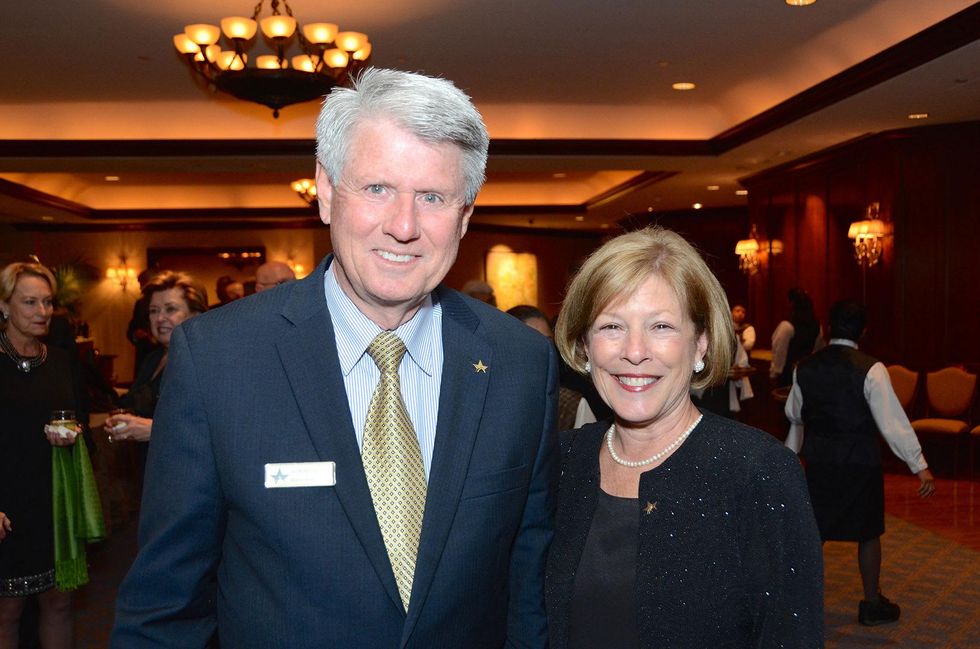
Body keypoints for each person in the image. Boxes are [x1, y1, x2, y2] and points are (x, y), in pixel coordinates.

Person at [111, 68, 558, 649]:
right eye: (377, 188)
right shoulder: (220, 359)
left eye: (432, 197)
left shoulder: (520, 362)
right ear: (325, 190)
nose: (403, 226)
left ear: (465, 215)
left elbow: (528, 585)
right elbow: (165, 608)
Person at [546, 227, 823, 649]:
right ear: (584, 346)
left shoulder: (755, 471)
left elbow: (790, 636)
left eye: (660, 326)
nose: (635, 351)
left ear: (700, 345)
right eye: (612, 326)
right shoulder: (562, 460)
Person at [784, 299, 935, 627]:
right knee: (868, 533)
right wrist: (918, 463)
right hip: (859, 464)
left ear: (828, 328)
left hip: (819, 463)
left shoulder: (804, 367)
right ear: (863, 331)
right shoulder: (871, 368)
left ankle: (798, 603)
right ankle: (871, 603)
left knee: (814, 533)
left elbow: (794, 414)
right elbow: (891, 421)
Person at [0, 262, 91, 649]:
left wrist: (71, 433)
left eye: (48, 302)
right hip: (5, 506)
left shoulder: (61, 359)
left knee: (59, 603)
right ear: (3, 306)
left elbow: (80, 419)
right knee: (7, 610)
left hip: (55, 499)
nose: (42, 312)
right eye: (30, 302)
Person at [104, 271, 208, 450]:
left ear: (195, 315)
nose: (160, 318)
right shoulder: (152, 358)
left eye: (171, 309)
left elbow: (216, 429)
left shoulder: (206, 361)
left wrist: (153, 430)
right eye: (154, 311)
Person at [507, 304, 596, 430]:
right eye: (530, 343)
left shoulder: (569, 405)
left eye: (547, 342)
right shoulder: (489, 398)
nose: (541, 351)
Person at [770, 288, 823, 386]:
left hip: (787, 374)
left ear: (791, 304)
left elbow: (779, 352)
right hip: (805, 372)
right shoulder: (817, 326)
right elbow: (817, 350)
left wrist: (774, 373)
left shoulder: (787, 326)